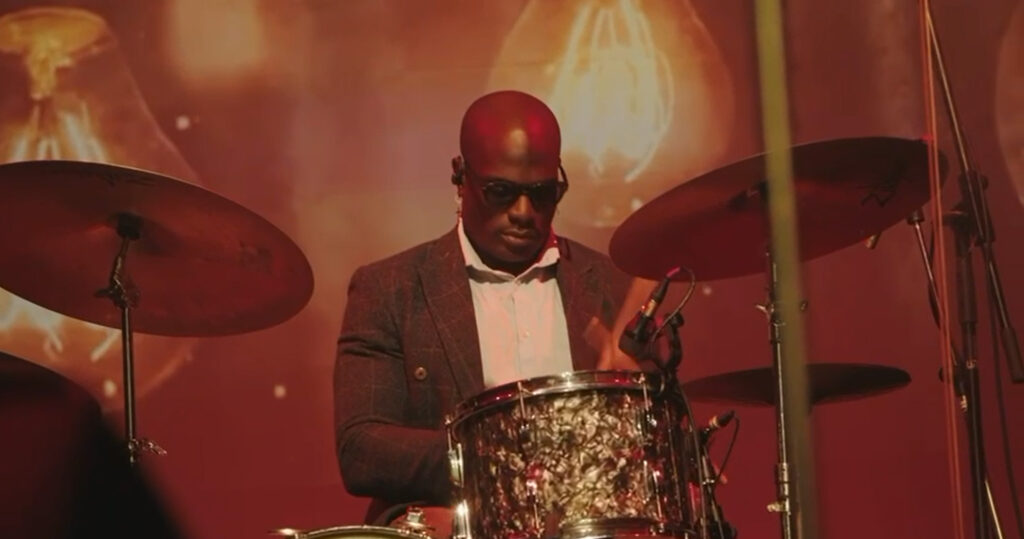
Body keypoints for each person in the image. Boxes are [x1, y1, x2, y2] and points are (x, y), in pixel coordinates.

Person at [333, 89, 647, 525]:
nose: (524, 212)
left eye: (543, 194)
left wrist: (639, 411)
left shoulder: (613, 287)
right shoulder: (390, 289)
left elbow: (656, 453)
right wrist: (502, 452)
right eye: (501, 192)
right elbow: (361, 451)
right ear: (460, 177)